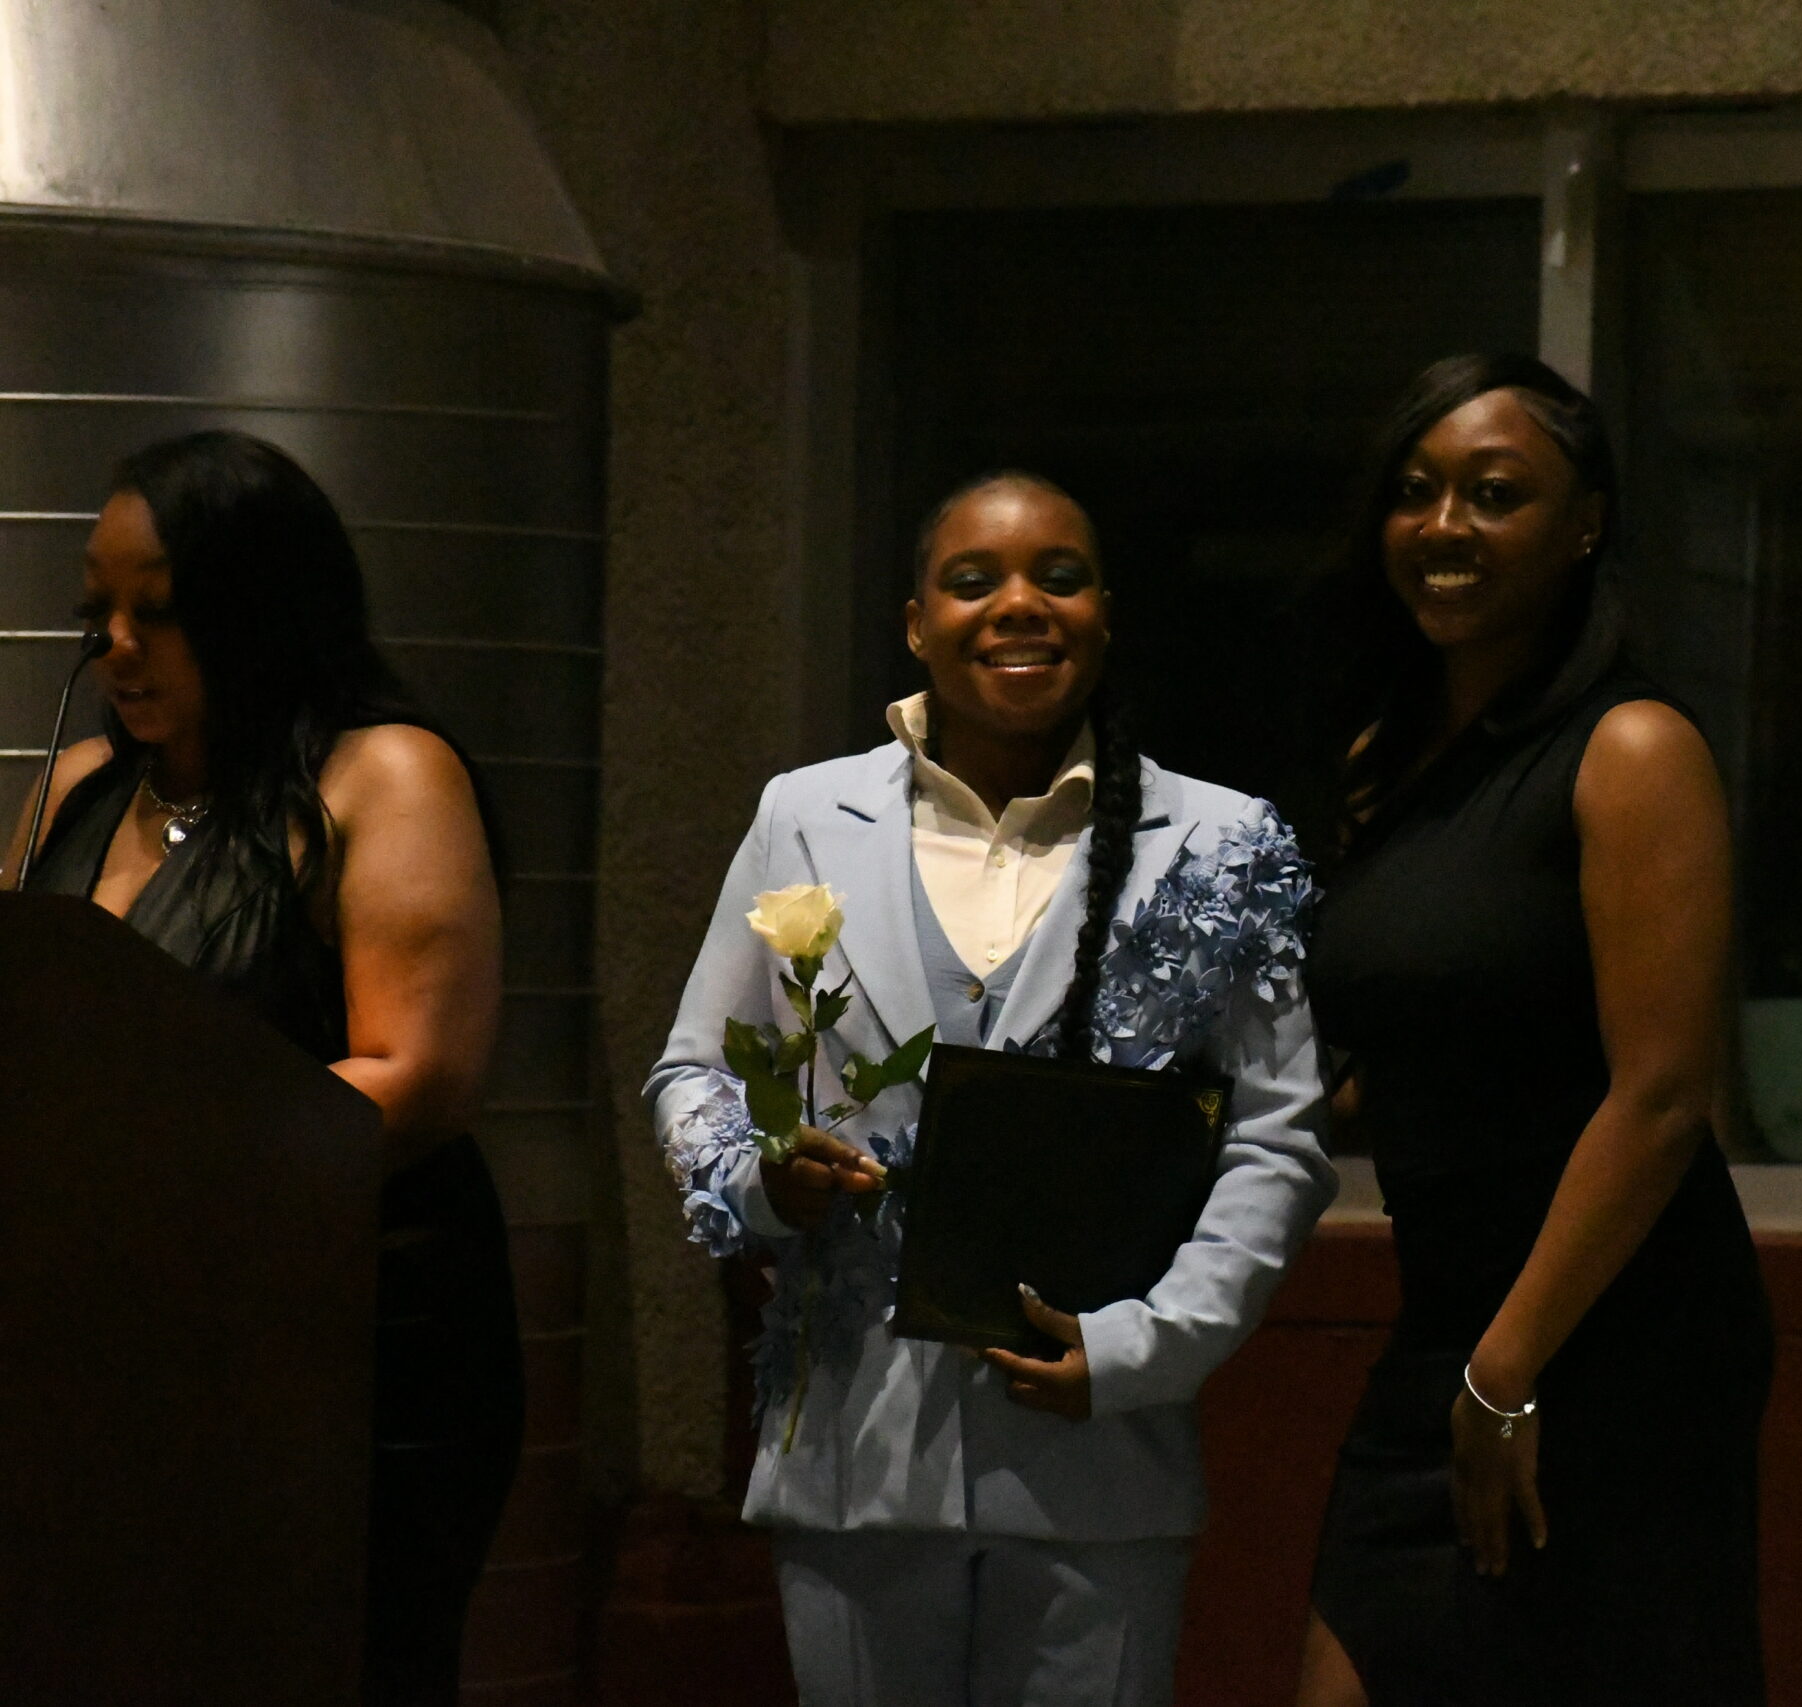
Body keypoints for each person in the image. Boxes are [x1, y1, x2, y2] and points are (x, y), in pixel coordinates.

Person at [648, 470, 1334, 1707]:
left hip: (1099, 1461)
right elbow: (695, 1070)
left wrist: (1141, 1346)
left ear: (1105, 612)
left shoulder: (1223, 843)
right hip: (854, 1458)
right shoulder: (804, 816)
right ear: (917, 622)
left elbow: (1277, 1143)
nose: (1019, 605)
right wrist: (758, 1178)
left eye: (1057, 578)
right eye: (975, 582)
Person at [3, 430, 523, 1706]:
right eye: (98, 613)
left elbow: (419, 1074)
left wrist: (138, 1164)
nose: (116, 645)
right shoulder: (70, 790)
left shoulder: (383, 776)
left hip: (345, 1359)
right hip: (112, 1356)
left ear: (260, 606)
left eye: (159, 613)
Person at [1297, 355, 1774, 1706]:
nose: (1445, 525)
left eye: (1495, 493)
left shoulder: (1630, 749)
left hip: (1607, 1332)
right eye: (1417, 491)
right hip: (1449, 1315)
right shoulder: (1388, 760)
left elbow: (1664, 1093)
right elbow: (1433, 1042)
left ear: (1584, 525)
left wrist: (1508, 1365)